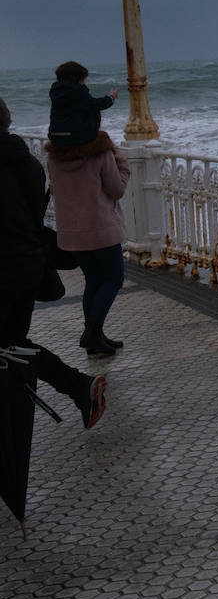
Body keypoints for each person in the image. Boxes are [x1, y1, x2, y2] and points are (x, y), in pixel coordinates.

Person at [0, 98, 107, 427]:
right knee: (10, 341)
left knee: (9, 342)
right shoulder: (23, 159)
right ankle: (79, 387)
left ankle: (79, 386)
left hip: (8, 266)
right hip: (27, 261)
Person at [46, 108, 130, 358]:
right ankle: (91, 333)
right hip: (101, 230)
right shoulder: (101, 153)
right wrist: (123, 164)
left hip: (73, 233)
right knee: (113, 279)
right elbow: (117, 189)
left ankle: (95, 336)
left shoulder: (55, 157)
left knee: (93, 280)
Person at [48, 60, 117, 148]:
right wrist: (111, 97)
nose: (85, 82)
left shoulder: (55, 91)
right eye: (84, 79)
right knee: (103, 138)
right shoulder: (78, 91)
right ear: (77, 79)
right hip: (76, 137)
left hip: (55, 136)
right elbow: (97, 104)